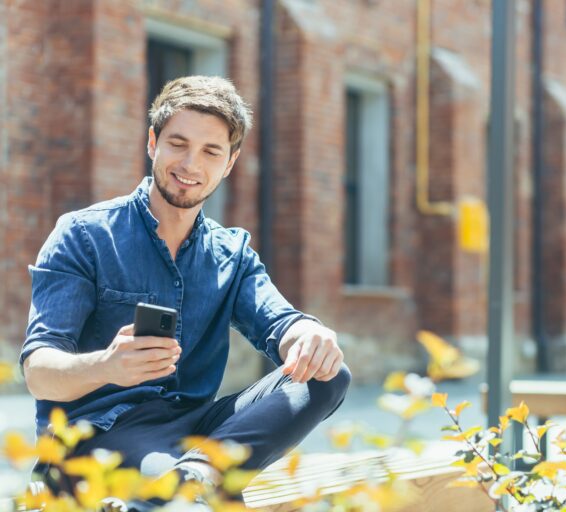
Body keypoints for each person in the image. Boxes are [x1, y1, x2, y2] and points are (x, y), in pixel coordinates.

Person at [20, 76, 350, 502]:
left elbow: (280, 321)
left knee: (328, 375)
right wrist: (106, 365)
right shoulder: (85, 235)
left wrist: (308, 336)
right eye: (178, 144)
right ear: (153, 142)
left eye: (211, 151)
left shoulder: (233, 253)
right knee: (178, 493)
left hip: (197, 431)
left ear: (229, 163)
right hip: (101, 436)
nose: (191, 164)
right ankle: (194, 481)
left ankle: (200, 471)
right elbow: (38, 372)